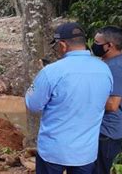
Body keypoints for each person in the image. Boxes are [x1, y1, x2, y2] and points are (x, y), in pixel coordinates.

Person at [25, 22, 113, 174]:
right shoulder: (104, 69)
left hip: (53, 151)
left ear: (63, 45)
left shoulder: (51, 72)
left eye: (56, 46)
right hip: (85, 153)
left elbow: (33, 105)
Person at [92, 26, 122, 174]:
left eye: (97, 42)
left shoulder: (116, 68)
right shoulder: (110, 63)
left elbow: (113, 104)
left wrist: (85, 99)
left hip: (106, 134)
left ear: (109, 46)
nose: (94, 45)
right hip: (103, 132)